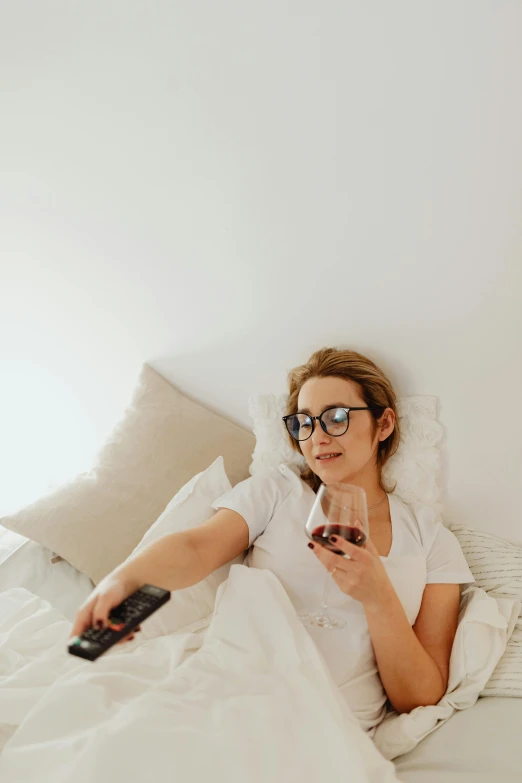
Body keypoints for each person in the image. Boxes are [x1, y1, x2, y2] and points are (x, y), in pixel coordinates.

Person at [71, 347, 474, 736]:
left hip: (329, 729)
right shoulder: (278, 491)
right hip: (234, 696)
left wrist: (378, 597)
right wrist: (121, 580)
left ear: (383, 425)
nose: (317, 437)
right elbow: (198, 547)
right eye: (304, 422)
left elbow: (420, 696)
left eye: (336, 417)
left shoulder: (431, 540)